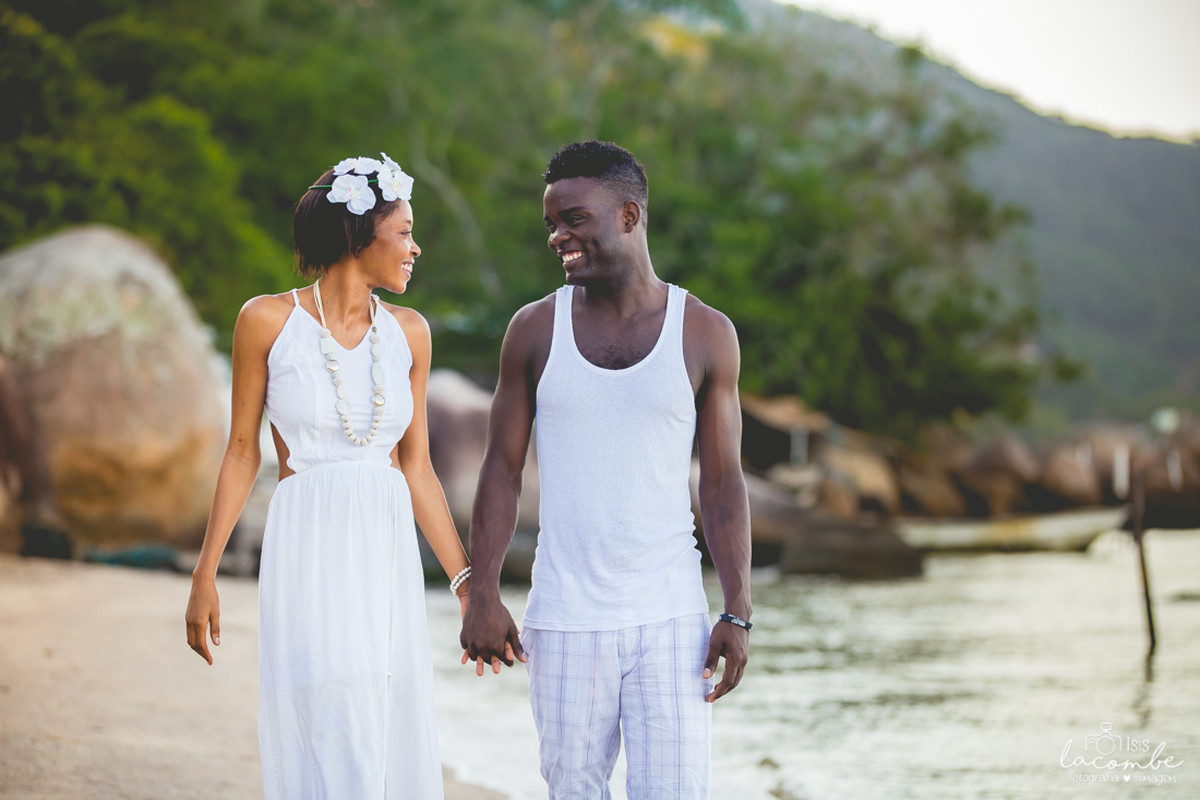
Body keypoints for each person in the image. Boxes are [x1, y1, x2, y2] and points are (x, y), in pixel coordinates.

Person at [460, 140, 753, 798]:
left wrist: (736, 609)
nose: (559, 236)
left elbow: (723, 482)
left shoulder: (705, 333)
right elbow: (500, 471)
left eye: (574, 220)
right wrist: (482, 593)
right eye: (552, 224)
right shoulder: (533, 332)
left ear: (628, 215)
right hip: (563, 618)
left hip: (671, 618)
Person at [185, 154, 472, 798]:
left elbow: (416, 467)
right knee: (328, 708)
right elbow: (241, 451)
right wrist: (205, 574)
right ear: (358, 235)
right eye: (404, 232)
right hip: (307, 542)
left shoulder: (410, 334)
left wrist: (466, 584)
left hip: (384, 544)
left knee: (379, 708)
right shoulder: (266, 320)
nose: (415, 248)